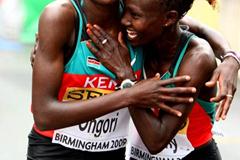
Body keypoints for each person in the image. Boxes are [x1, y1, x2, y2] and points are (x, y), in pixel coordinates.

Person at [28, 0, 197, 160]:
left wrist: (224, 55)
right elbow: (44, 116)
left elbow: (179, 21)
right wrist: (129, 94)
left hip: (112, 152)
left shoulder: (133, 14)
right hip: (54, 152)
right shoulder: (60, 16)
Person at [85, 0, 239, 159]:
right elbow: (200, 27)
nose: (124, 20)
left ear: (168, 19)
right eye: (126, 10)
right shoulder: (145, 34)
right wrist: (231, 57)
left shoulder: (197, 58)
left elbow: (156, 140)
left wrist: (126, 78)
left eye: (135, 15)